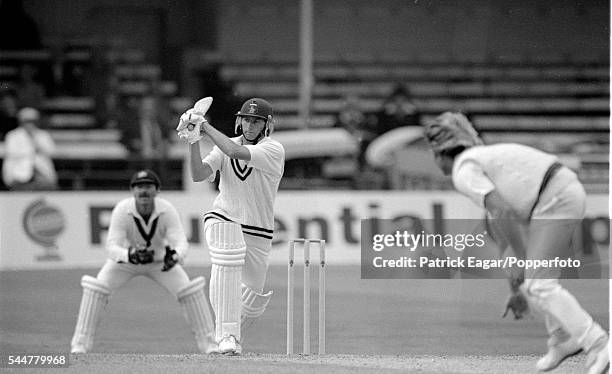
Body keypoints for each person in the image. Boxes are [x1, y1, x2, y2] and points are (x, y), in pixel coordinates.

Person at [423, 111, 609, 374]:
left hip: (554, 198)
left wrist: (524, 260)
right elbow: (501, 229)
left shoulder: (464, 170)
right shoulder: (483, 161)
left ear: (441, 154)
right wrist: (515, 289)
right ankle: (561, 340)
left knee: (540, 283)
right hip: (556, 194)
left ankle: (599, 343)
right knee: (538, 281)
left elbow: (503, 213)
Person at [178, 97, 285, 355]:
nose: (250, 125)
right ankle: (227, 334)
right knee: (226, 259)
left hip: (258, 230)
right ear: (239, 120)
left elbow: (235, 152)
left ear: (266, 125)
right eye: (246, 119)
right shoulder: (224, 145)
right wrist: (194, 143)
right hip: (223, 217)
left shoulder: (273, 150)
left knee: (252, 300)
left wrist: (204, 127)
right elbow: (199, 174)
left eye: (256, 121)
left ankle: (226, 338)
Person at [70, 170, 217, 354]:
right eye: (139, 187)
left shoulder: (166, 209)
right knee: (96, 289)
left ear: (156, 191)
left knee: (190, 291)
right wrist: (129, 255)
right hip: (127, 262)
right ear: (133, 191)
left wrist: (175, 256)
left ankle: (210, 345)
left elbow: (180, 241)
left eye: (148, 187)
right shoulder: (123, 210)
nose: (144, 192)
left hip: (159, 261)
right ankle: (80, 344)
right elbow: (112, 246)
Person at [1, 107, 58, 190]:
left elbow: (52, 151)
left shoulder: (43, 135)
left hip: (41, 173)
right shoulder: (13, 135)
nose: (29, 124)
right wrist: (32, 150)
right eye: (27, 121)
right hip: (18, 173)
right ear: (21, 122)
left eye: (32, 121)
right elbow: (11, 152)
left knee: (45, 188)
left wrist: (34, 140)